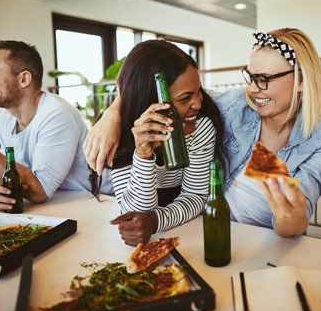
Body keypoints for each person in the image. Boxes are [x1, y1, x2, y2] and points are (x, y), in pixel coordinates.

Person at [83, 28, 321, 238]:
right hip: (213, 232)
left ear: (301, 80)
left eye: (263, 79)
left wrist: (291, 218)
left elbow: (293, 225)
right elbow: (158, 91)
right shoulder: (234, 105)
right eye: (250, 77)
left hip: (269, 242)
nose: (252, 89)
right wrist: (114, 112)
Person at [0, 40, 112, 211]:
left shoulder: (56, 114)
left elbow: (39, 190)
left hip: (98, 202)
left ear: (24, 79)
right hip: (57, 202)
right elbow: (7, 170)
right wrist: (0, 191)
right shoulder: (3, 116)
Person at [90, 40, 226, 246]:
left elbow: (196, 196)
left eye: (198, 91)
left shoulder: (202, 124)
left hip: (189, 232)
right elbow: (133, 212)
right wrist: (143, 154)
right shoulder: (118, 132)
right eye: (185, 98)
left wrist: (155, 221)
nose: (198, 103)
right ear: (151, 100)